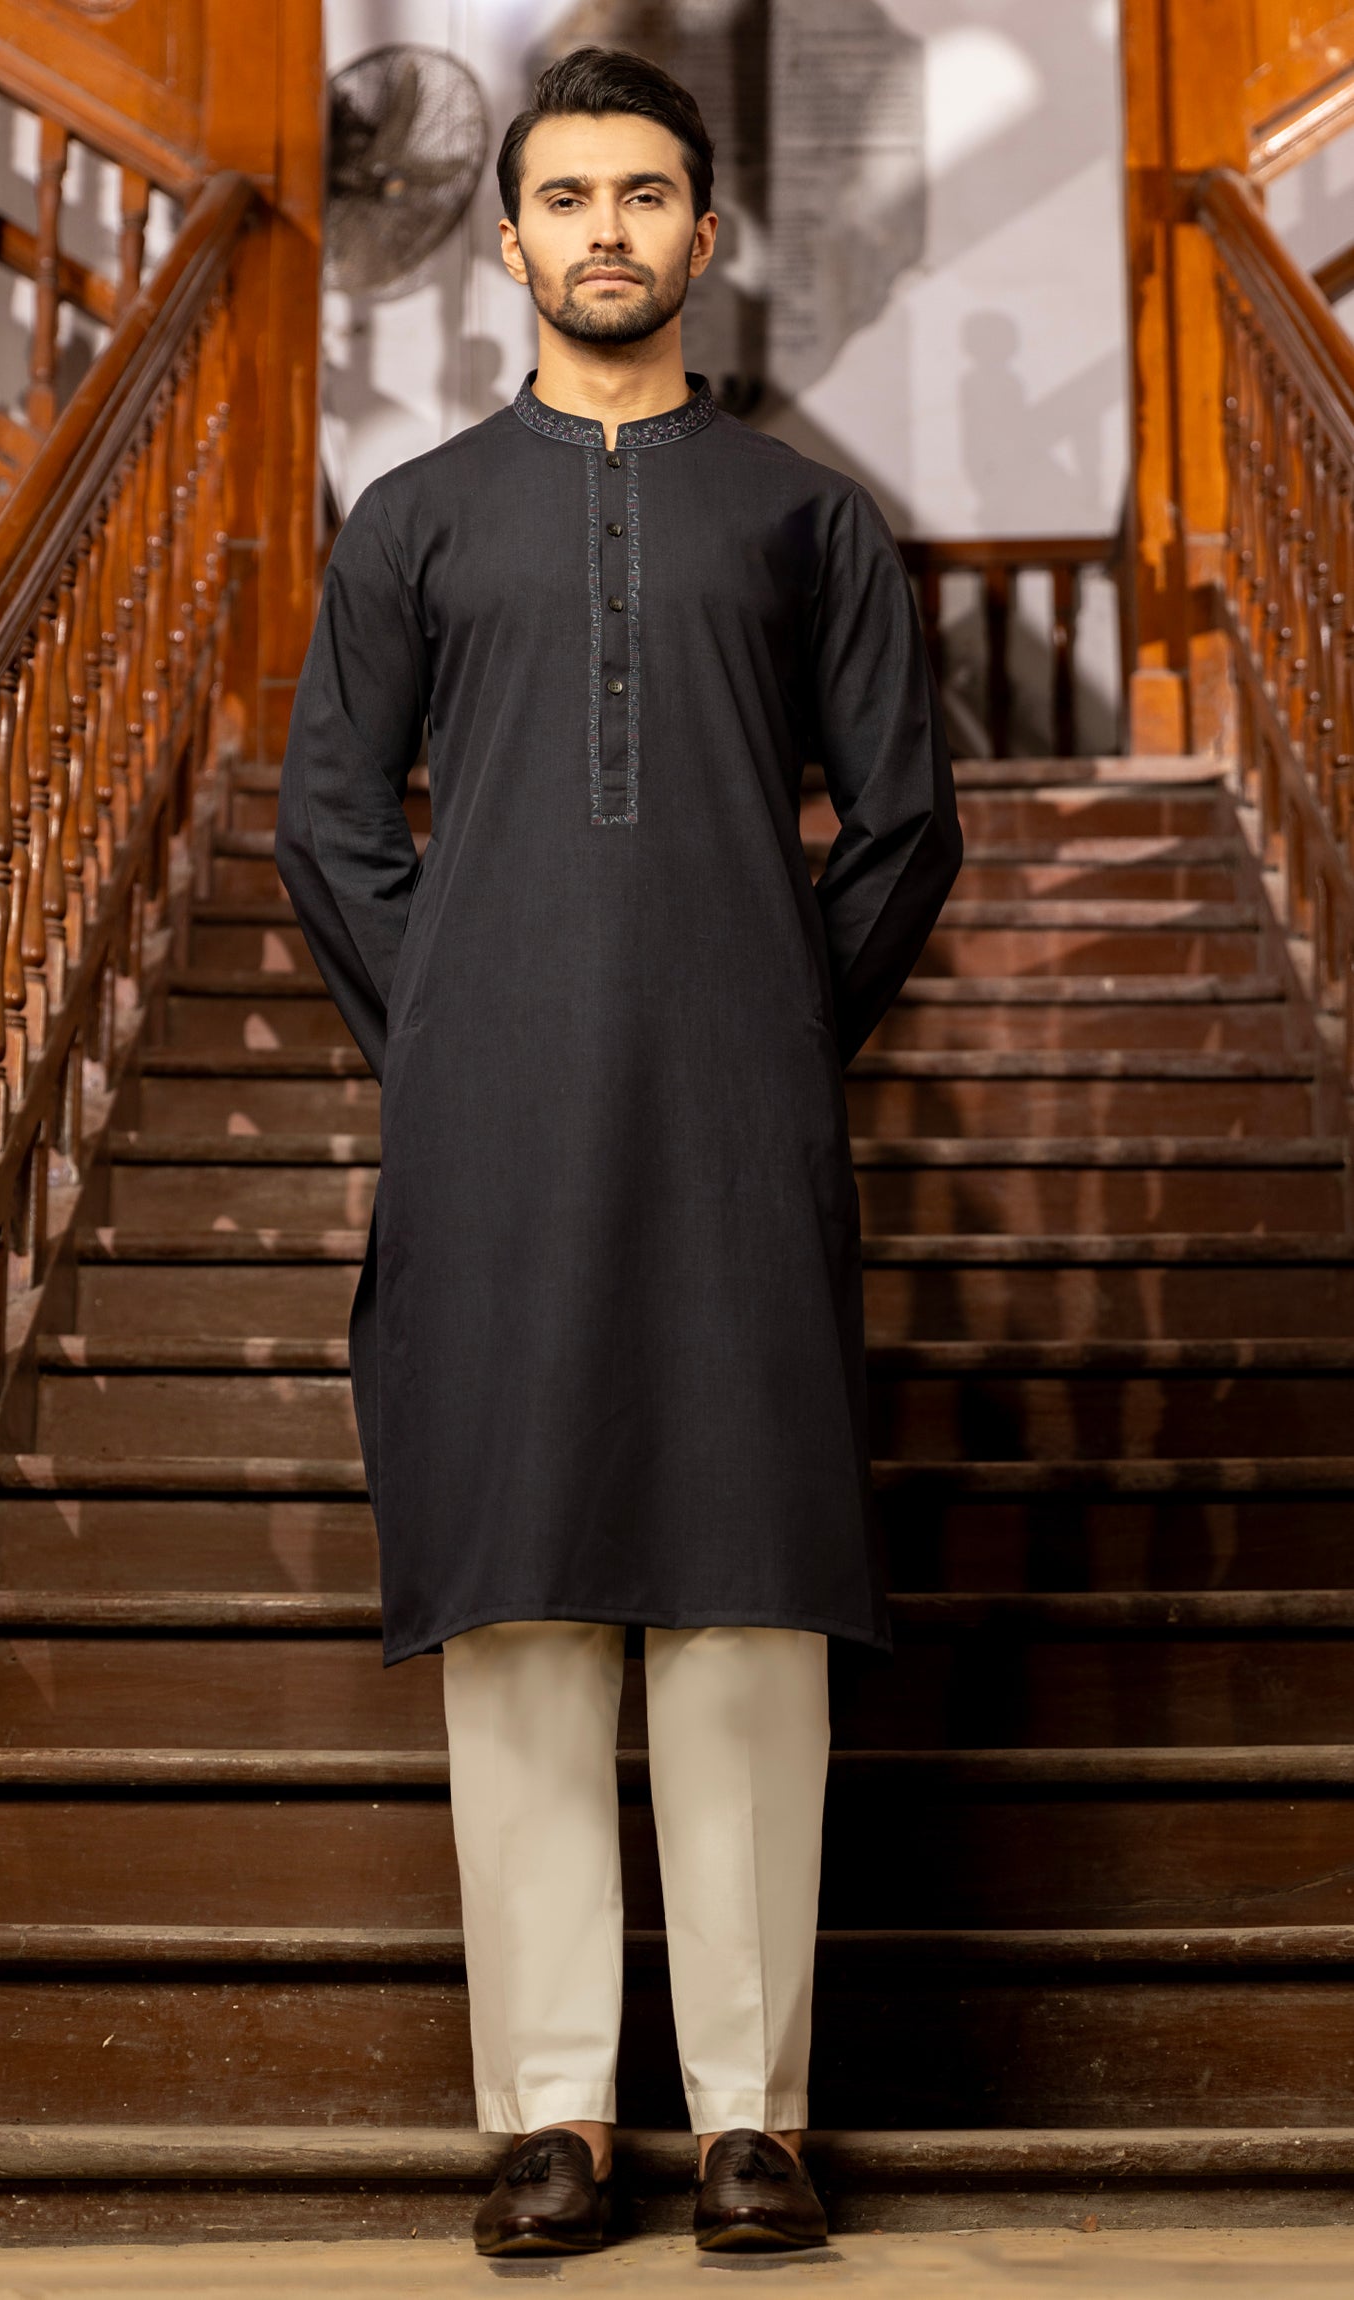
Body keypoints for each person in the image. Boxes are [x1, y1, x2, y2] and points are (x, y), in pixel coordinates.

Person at [276, 44, 961, 2259]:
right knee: (526, 1595)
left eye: (642, 194)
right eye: (564, 196)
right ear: (507, 239)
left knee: (747, 1600)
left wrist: (774, 1021)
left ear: (703, 233)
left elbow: (903, 824)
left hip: (739, 1130)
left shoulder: (803, 521)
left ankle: (755, 2118)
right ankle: (553, 2115)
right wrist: (455, 1033)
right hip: (493, 1132)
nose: (603, 230)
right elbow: (328, 826)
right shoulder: (414, 520)